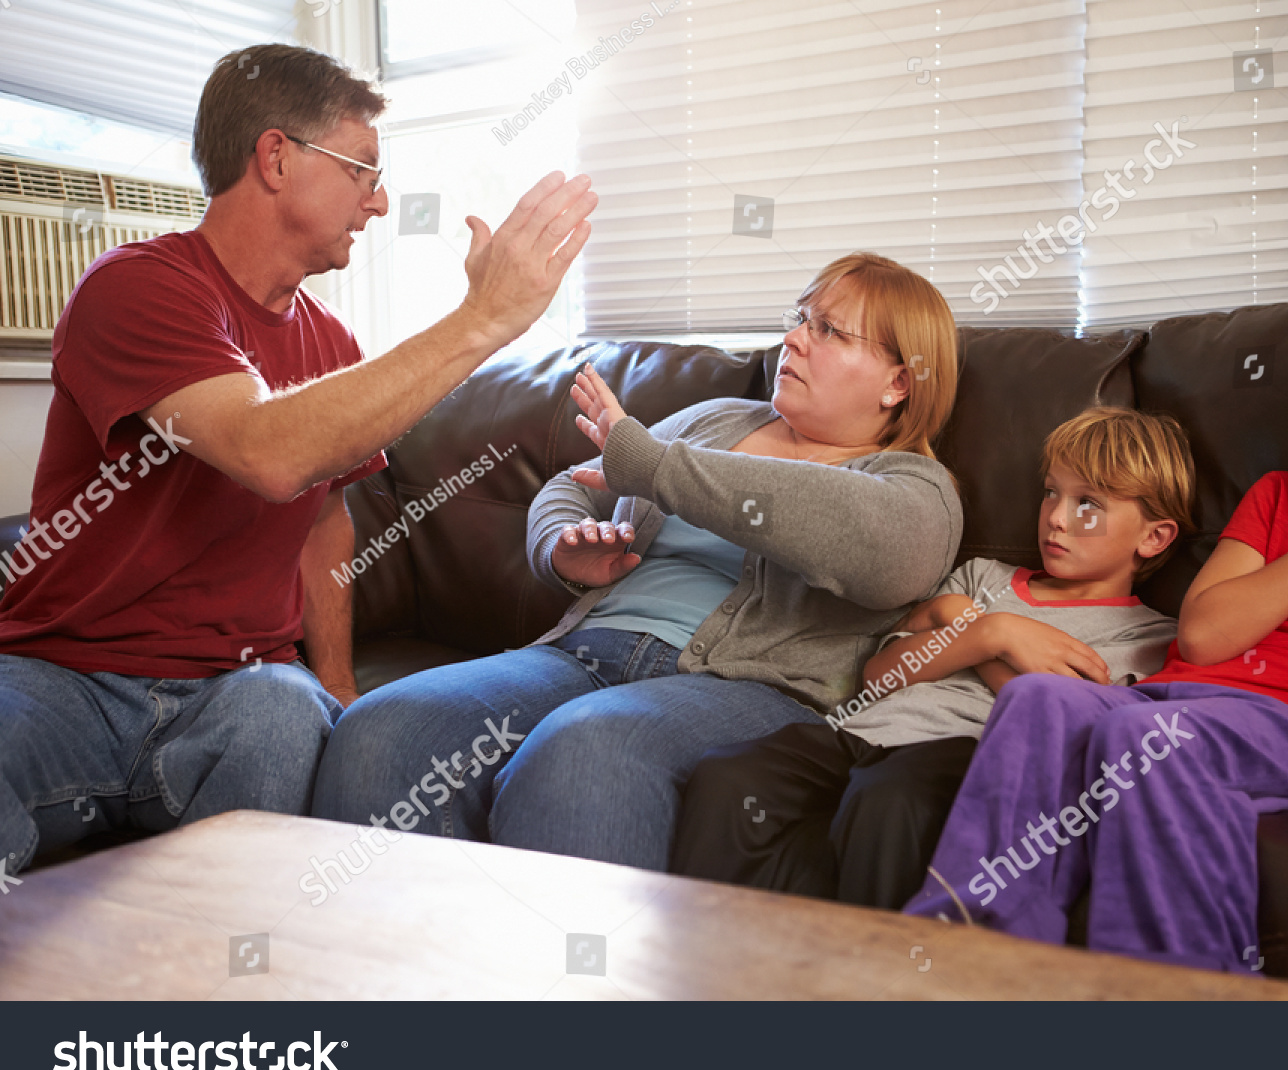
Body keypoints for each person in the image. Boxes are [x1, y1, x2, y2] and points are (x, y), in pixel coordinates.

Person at [0, 43, 595, 873]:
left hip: (237, 689)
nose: (379, 202)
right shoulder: (135, 286)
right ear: (276, 158)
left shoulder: (331, 341)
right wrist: (481, 321)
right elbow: (267, 451)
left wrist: (341, 686)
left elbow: (322, 520)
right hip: (65, 678)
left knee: (285, 714)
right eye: (362, 171)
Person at [312, 252, 963, 871]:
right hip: (583, 653)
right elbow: (578, 481)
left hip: (746, 691)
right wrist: (563, 548)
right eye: (799, 317)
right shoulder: (716, 420)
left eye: (828, 330)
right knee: (382, 732)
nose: (793, 339)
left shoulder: (916, 487)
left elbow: (881, 554)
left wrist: (653, 465)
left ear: (898, 383)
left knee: (587, 751)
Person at [905, 317, 1288, 973]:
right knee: (1037, 696)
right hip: (1171, 697)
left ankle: (1176, 993)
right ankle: (970, 949)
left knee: (1144, 740)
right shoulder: (1282, 500)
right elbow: (1205, 636)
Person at [670, 407, 1193, 908]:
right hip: (857, 732)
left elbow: (1057, 723)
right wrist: (990, 631)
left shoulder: (1147, 639)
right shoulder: (982, 577)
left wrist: (976, 629)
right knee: (727, 776)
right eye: (1051, 492)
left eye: (1088, 505)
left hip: (960, 753)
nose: (1056, 517)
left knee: (891, 802)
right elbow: (879, 675)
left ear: (1154, 536)